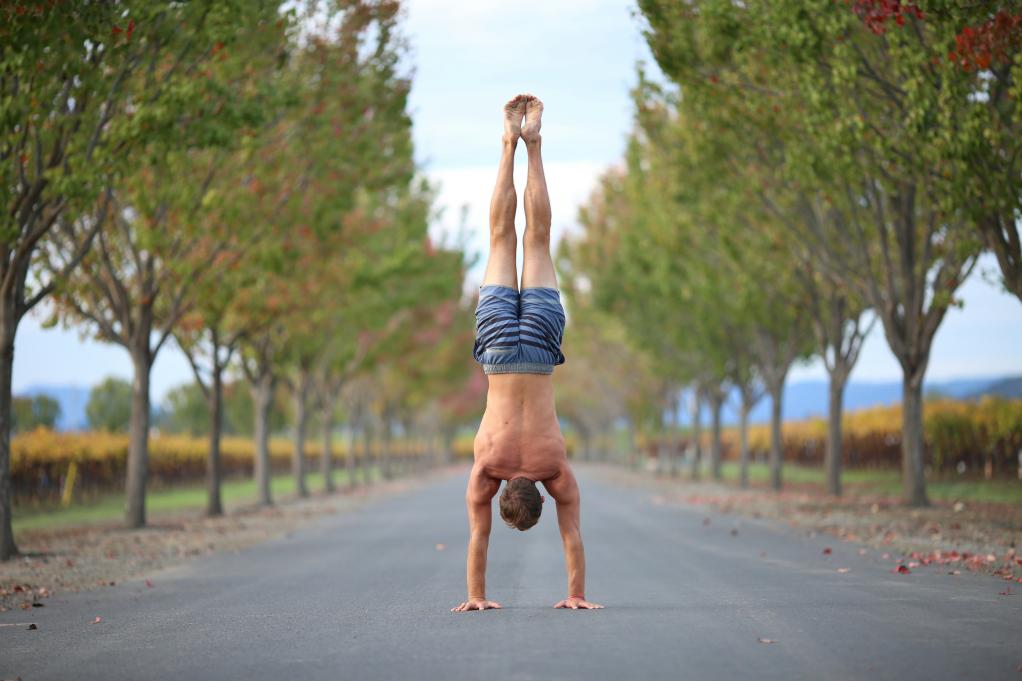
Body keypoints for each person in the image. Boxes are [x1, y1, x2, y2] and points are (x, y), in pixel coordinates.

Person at [451, 95, 603, 613]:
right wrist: (475, 596)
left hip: (538, 349)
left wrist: (576, 593)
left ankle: (532, 144)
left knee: (536, 240)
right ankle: (507, 143)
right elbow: (479, 539)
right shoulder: (487, 467)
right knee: (499, 240)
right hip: (496, 349)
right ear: (502, 495)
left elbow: (572, 535)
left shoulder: (554, 467)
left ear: (540, 493)